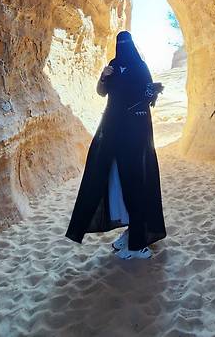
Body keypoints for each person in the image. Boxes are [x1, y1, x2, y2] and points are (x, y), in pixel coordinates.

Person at [65, 31, 166, 259]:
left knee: (136, 181)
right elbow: (102, 92)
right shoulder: (112, 65)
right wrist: (103, 76)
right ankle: (132, 238)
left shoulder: (141, 67)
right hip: (112, 131)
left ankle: (136, 241)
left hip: (135, 134)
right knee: (115, 180)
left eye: (126, 43)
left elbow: (148, 96)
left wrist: (152, 91)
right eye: (119, 43)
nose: (122, 47)